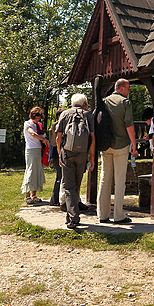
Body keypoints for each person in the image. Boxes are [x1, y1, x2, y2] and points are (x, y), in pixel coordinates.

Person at [97, 79, 138, 224]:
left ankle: (102, 214)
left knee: (104, 180)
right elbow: (129, 125)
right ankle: (119, 215)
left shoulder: (104, 101)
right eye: (128, 88)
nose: (129, 92)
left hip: (105, 145)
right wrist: (134, 144)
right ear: (121, 88)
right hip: (121, 145)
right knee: (119, 181)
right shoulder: (126, 103)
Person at [56, 94, 95, 229]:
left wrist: (59, 153)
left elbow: (58, 136)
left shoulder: (65, 114)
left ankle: (73, 217)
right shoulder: (88, 115)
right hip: (82, 154)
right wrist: (92, 157)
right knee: (76, 185)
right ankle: (71, 214)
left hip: (67, 153)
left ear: (72, 103)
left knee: (68, 186)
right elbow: (92, 138)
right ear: (84, 103)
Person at [21, 107, 50, 204]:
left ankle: (34, 195)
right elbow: (32, 133)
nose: (38, 120)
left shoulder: (38, 125)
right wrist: (43, 139)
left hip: (38, 149)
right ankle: (27, 196)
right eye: (36, 118)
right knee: (30, 171)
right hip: (31, 150)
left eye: (39, 118)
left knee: (37, 171)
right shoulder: (27, 124)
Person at [49, 108, 65, 206]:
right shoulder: (57, 125)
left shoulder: (57, 125)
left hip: (56, 153)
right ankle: (54, 200)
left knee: (60, 176)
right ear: (59, 116)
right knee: (60, 176)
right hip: (56, 154)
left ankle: (55, 199)